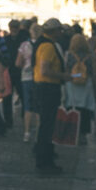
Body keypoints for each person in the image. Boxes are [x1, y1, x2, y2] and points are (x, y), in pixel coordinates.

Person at [31, 20, 68, 174]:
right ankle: (44, 160)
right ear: (54, 31)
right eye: (59, 30)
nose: (61, 34)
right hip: (47, 88)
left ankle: (44, 154)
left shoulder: (43, 44)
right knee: (47, 125)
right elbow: (45, 70)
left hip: (44, 88)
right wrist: (65, 76)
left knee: (46, 124)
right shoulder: (47, 46)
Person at [64, 30, 96, 143]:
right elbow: (94, 72)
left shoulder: (69, 55)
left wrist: (75, 75)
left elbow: (67, 70)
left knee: (73, 107)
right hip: (86, 83)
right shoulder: (90, 56)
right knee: (85, 110)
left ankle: (73, 132)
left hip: (72, 84)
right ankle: (83, 134)